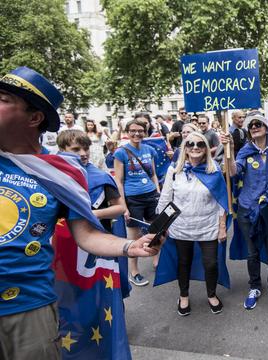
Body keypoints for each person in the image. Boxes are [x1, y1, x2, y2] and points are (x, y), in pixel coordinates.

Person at [0, 66, 157, 360]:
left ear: (34, 118)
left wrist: (128, 246)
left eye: (3, 98)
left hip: (27, 310)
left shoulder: (61, 173)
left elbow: (85, 235)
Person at [157, 132, 227, 316]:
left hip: (208, 225)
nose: (195, 147)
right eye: (190, 144)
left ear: (206, 148)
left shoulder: (214, 170)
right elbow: (165, 200)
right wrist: (161, 227)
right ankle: (184, 295)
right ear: (185, 148)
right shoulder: (174, 171)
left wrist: (221, 227)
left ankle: (211, 294)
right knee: (183, 262)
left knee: (211, 263)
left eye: (200, 144)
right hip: (181, 227)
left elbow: (221, 201)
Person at [220, 110, 268, 309]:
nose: (255, 127)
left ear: (266, 128)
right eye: (251, 125)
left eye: (258, 124)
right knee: (252, 252)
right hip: (248, 209)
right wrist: (228, 149)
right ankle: (254, 287)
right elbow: (232, 171)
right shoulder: (246, 151)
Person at [114, 119, 161, 286]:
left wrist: (158, 193)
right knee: (134, 237)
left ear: (145, 132)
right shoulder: (121, 152)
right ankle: (133, 271)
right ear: (127, 132)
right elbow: (118, 181)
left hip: (151, 196)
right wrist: (123, 206)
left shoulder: (149, 150)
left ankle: (156, 261)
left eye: (140, 130)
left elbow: (153, 174)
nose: (137, 134)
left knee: (155, 230)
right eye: (133, 130)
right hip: (133, 199)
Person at [57, 130, 125, 232]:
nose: (83, 153)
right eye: (76, 149)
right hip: (62, 234)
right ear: (62, 150)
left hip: (97, 234)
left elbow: (120, 208)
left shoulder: (101, 177)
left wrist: (93, 214)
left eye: (86, 149)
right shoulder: (53, 174)